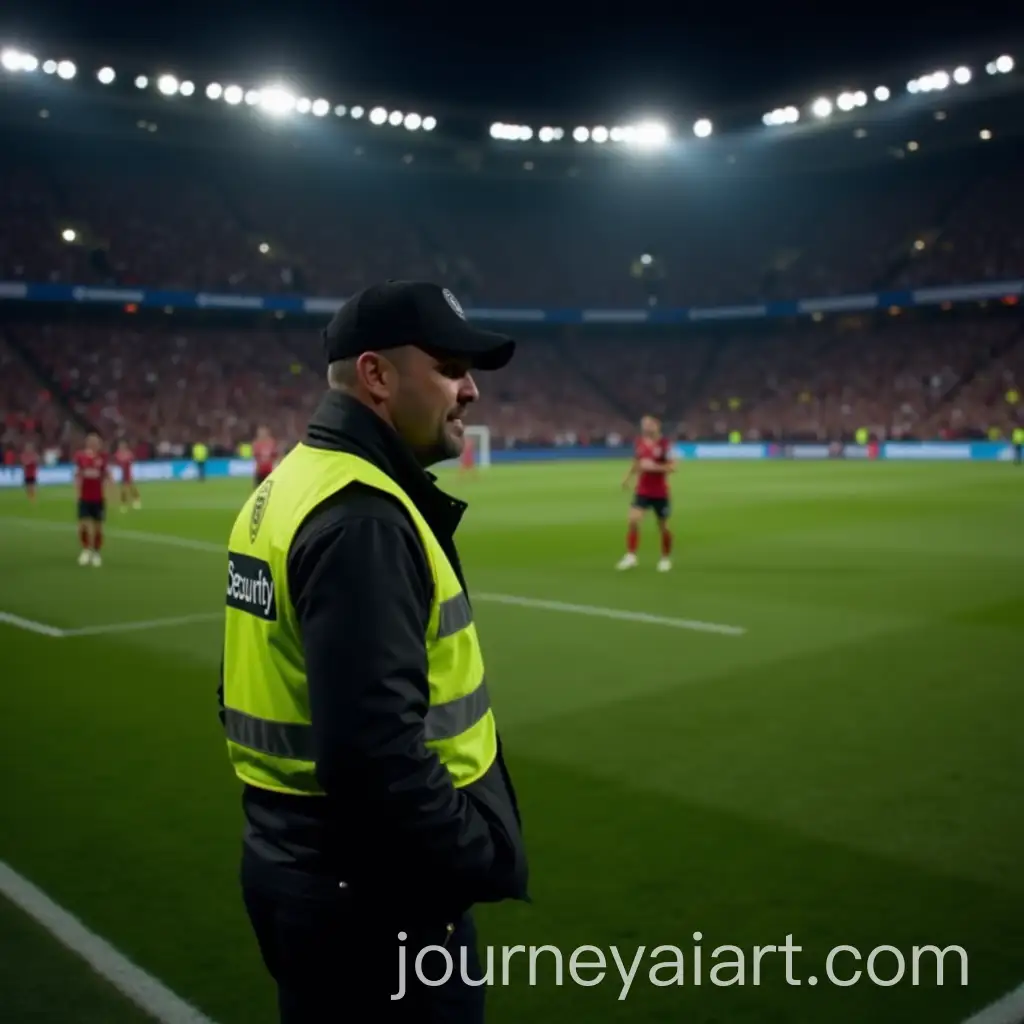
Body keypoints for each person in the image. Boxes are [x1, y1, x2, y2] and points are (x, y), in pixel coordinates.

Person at [219, 281, 529, 1023]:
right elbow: (373, 758)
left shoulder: (287, 486)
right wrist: (475, 854)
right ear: (377, 375)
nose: (471, 391)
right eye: (451, 367)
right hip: (377, 903)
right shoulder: (363, 519)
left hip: (297, 866)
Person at [617, 414, 674, 571]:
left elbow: (673, 467)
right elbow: (637, 462)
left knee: (663, 526)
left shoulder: (665, 444)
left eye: (649, 424)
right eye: (644, 424)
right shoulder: (640, 442)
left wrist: (654, 467)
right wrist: (627, 477)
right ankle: (631, 556)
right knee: (633, 521)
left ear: (657, 425)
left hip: (660, 493)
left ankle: (665, 558)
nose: (646, 427)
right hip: (642, 490)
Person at [74, 432, 110, 566]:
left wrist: (108, 487)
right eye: (92, 442)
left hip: (98, 498)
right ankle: (85, 550)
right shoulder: (81, 457)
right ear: (88, 444)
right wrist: (77, 491)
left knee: (98, 527)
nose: (95, 444)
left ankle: (96, 552)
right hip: (84, 497)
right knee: (82, 525)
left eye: (97, 442)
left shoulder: (102, 458)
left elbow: (105, 474)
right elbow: (78, 475)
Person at [115, 440, 141, 511]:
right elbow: (118, 461)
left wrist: (125, 460)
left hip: (129, 473)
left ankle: (136, 499)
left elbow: (131, 460)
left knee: (132, 487)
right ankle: (124, 503)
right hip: (123, 474)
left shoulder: (128, 453)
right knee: (123, 489)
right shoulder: (118, 454)